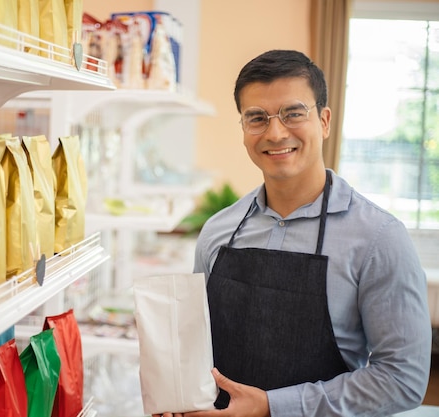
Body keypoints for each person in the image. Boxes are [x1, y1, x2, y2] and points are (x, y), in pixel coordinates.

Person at [155, 50, 432, 417]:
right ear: (243, 129)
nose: (275, 132)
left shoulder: (379, 238)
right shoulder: (219, 231)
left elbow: (402, 379)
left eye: (293, 113)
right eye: (257, 118)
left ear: (325, 120)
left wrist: (273, 407)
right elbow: (194, 348)